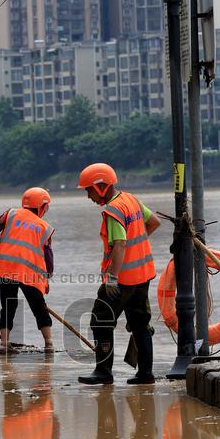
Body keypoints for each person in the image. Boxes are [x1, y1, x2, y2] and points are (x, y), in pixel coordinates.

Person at [77, 163, 160, 385]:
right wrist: (136, 248)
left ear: (101, 186)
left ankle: (103, 371)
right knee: (140, 323)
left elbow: (120, 244)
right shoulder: (130, 199)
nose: (88, 196)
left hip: (121, 280)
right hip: (143, 276)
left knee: (100, 321)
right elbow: (153, 222)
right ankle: (146, 374)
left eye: (89, 190)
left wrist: (112, 277)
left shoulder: (112, 210)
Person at [0, 187, 54, 355]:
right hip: (31, 274)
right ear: (41, 206)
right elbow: (48, 258)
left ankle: (4, 344)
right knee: (39, 306)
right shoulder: (45, 228)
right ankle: (49, 344)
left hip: (7, 268)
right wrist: (46, 278)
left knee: (8, 305)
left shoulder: (11, 214)